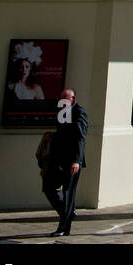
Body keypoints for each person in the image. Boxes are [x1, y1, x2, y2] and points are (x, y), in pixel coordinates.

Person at [41, 87, 88, 237]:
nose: (61, 101)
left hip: (72, 161)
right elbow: (63, 134)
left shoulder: (79, 113)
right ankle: (67, 212)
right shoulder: (63, 113)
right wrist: (52, 136)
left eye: (65, 98)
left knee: (68, 192)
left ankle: (64, 228)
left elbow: (80, 138)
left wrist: (77, 161)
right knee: (48, 186)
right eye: (61, 98)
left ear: (73, 99)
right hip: (58, 160)